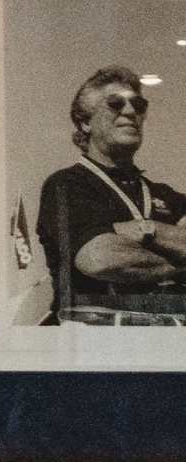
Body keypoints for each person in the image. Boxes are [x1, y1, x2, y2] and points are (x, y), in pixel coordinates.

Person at [37, 65, 186, 321]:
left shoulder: (165, 195)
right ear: (85, 122)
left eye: (138, 105)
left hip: (172, 332)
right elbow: (99, 259)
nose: (130, 112)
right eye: (115, 104)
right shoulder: (66, 185)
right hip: (99, 334)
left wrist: (144, 229)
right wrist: (179, 260)